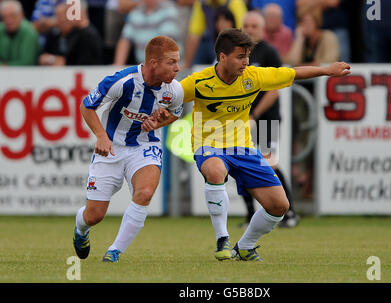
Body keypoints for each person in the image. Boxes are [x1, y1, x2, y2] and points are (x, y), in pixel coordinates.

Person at [143, 28, 349, 261]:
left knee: (279, 207)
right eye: (240, 57)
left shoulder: (254, 76)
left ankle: (245, 247)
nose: (246, 62)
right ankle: (223, 239)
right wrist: (156, 119)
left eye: (247, 56)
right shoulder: (198, 82)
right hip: (208, 145)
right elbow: (172, 108)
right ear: (222, 57)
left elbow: (293, 72)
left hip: (244, 148)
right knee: (215, 170)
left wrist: (326, 70)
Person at [72, 35, 184, 263]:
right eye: (171, 62)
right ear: (154, 63)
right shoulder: (122, 81)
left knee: (144, 193)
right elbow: (86, 105)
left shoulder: (174, 90)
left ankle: (114, 251)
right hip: (111, 148)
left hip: (144, 146)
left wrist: (158, 122)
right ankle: (80, 229)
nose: (177, 68)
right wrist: (101, 136)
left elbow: (175, 112)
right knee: (94, 216)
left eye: (177, 61)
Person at [240, 10, 299, 228]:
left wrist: (254, 114)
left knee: (269, 163)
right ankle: (249, 215)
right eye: (246, 25)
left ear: (262, 29)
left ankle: (289, 212)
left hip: (265, 119)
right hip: (242, 118)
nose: (250, 29)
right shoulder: (238, 53)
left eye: (254, 26)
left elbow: (274, 89)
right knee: (241, 163)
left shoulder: (269, 52)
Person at [182, 0, 247, 68]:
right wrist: (187, 64)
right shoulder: (202, 3)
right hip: (214, 41)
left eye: (226, 20)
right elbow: (194, 35)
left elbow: (242, 32)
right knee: (204, 42)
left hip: (233, 42)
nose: (222, 24)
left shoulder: (234, 2)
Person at [113, 0, 180, 66]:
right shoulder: (136, 11)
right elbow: (125, 40)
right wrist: (118, 65)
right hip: (146, 66)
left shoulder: (168, 10)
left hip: (166, 66)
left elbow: (166, 43)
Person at [0, 0, 40, 65]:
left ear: (21, 15)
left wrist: (5, 66)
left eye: (13, 16)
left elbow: (27, 62)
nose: (9, 21)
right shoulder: (1, 30)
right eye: (5, 17)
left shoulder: (29, 32)